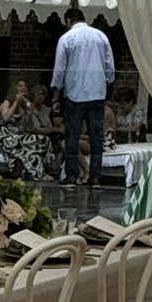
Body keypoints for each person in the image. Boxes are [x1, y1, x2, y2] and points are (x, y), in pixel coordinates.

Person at [51, 14, 116, 192]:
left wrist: (56, 89)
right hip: (97, 93)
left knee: (72, 136)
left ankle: (72, 175)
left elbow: (60, 67)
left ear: (68, 20)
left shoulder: (67, 38)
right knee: (96, 137)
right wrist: (108, 82)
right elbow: (109, 65)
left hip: (75, 93)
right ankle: (95, 177)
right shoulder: (101, 36)